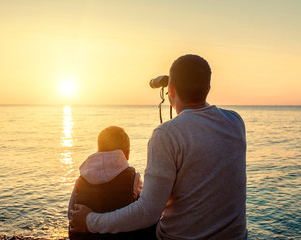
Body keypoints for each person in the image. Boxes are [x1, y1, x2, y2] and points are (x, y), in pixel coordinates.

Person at [70, 54, 247, 239]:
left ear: (170, 89)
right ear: (208, 88)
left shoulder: (166, 134)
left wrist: (89, 221)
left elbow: (148, 212)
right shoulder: (235, 122)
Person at [68, 125, 145, 239]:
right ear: (127, 154)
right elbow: (142, 210)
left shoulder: (81, 179)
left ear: (98, 150)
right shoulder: (134, 179)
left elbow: (70, 214)